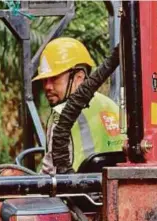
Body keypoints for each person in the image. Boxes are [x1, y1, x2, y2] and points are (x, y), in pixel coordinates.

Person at [32, 37, 126, 174]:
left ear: (79, 77)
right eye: (44, 80)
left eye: (54, 78)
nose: (47, 86)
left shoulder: (61, 114)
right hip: (114, 190)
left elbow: (49, 177)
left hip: (76, 193)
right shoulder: (111, 106)